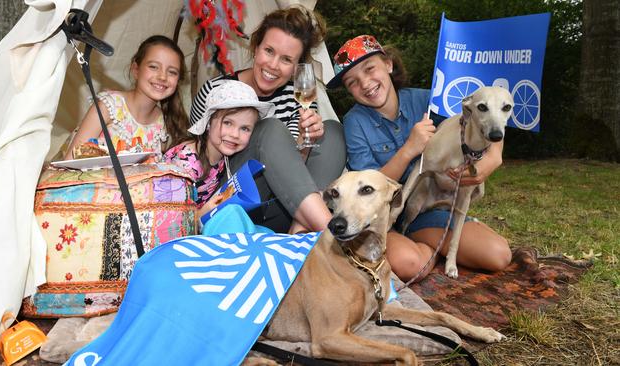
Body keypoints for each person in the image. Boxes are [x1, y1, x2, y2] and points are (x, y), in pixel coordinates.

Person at [327, 35, 511, 282]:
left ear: (389, 65)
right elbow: (368, 188)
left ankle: (432, 235)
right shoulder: (354, 123)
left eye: (370, 69)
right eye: (352, 82)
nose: (365, 83)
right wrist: (409, 150)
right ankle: (422, 243)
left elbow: (483, 112)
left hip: (432, 204)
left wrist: (495, 154)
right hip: (384, 216)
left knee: (498, 255)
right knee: (411, 264)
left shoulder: (430, 100)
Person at [190, 6, 346, 234]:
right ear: (255, 47)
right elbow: (194, 157)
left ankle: (299, 234)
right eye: (269, 51)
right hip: (232, 202)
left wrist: (304, 142)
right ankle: (333, 237)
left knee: (331, 131)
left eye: (286, 59)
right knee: (269, 129)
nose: (273, 65)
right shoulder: (215, 90)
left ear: (296, 67)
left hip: (284, 208)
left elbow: (290, 170)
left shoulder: (299, 97)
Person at [64, 35, 190, 160]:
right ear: (136, 69)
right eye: (153, 67)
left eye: (172, 72)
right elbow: (71, 160)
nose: (163, 77)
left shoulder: (162, 124)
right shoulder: (108, 107)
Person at [165, 80, 275, 218]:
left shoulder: (224, 156)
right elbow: (171, 222)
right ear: (209, 123)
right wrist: (204, 212)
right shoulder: (186, 164)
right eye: (228, 123)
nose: (235, 134)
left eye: (245, 128)